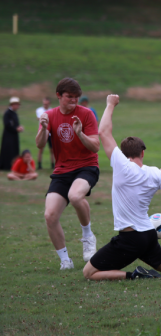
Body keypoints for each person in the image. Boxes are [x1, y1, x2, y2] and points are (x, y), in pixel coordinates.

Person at [83, 94, 161, 280]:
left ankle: (134, 275)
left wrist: (110, 104)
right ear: (142, 152)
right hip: (149, 234)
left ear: (123, 155)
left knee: (89, 273)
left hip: (130, 238)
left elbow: (104, 132)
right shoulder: (155, 173)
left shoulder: (121, 164)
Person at [36, 78, 100, 270]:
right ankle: (65, 260)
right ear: (59, 96)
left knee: (75, 195)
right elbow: (39, 144)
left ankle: (87, 236)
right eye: (69, 97)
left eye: (76, 98)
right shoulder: (49, 115)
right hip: (62, 170)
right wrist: (45, 128)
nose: (73, 101)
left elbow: (95, 147)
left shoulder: (87, 114)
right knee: (50, 215)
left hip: (86, 167)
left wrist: (80, 133)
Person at [0, 97, 24, 170]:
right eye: (16, 104)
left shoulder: (14, 113)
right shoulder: (7, 113)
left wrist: (19, 127)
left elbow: (15, 123)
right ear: (12, 105)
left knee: (14, 150)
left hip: (14, 135)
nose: (17, 106)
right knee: (8, 150)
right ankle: (6, 166)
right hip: (8, 136)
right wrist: (15, 128)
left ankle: (14, 166)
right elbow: (7, 124)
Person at [36, 97, 54, 170]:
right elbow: (39, 118)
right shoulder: (39, 110)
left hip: (50, 133)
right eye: (44, 104)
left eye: (46, 104)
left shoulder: (52, 110)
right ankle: (39, 165)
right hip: (42, 132)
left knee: (52, 150)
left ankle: (53, 165)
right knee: (40, 149)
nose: (45, 105)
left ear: (49, 104)